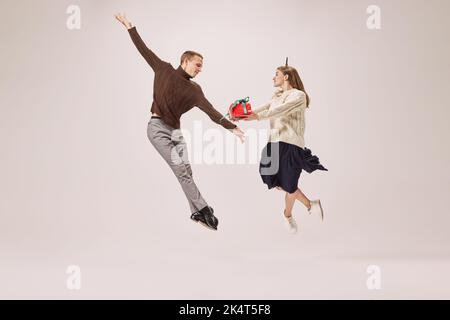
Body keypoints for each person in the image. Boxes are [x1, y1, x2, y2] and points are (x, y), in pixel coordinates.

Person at [115, 13, 245, 231]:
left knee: (187, 171)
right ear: (185, 61)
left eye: (202, 66)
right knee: (181, 170)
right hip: (157, 129)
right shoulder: (163, 69)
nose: (200, 69)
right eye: (197, 64)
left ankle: (195, 213)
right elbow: (144, 50)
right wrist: (130, 28)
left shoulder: (195, 91)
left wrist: (232, 127)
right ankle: (204, 210)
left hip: (176, 132)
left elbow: (211, 111)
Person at [241, 64, 327, 234]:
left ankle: (288, 216)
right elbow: (267, 107)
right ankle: (311, 205)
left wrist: (257, 117)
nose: (273, 77)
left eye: (277, 74)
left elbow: (281, 110)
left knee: (289, 185)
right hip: (274, 142)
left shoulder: (299, 95)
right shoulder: (277, 96)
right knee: (270, 177)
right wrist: (242, 114)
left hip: (291, 144)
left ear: (286, 77)